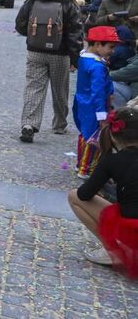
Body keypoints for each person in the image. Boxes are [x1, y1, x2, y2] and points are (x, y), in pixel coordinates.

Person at [15, 0, 85, 142]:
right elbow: (75, 33)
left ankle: (28, 124)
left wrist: (33, 36)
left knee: (34, 88)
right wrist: (75, 58)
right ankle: (59, 124)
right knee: (60, 90)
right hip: (60, 54)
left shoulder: (32, 1)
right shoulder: (69, 3)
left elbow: (20, 24)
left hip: (35, 52)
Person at [68, 106, 138, 274]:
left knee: (73, 196)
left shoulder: (113, 160)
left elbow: (84, 194)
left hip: (132, 229)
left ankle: (113, 249)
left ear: (113, 135)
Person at [73, 26, 120, 179]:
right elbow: (98, 92)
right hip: (94, 106)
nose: (112, 51)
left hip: (83, 102)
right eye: (110, 47)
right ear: (98, 44)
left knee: (85, 134)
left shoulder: (85, 58)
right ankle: (86, 170)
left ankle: (80, 164)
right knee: (95, 137)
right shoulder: (97, 67)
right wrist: (102, 116)